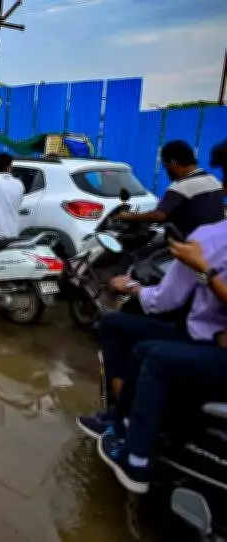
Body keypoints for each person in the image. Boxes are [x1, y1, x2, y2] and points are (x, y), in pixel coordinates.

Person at [91, 227, 227, 493]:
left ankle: (135, 460)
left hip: (203, 339)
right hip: (208, 336)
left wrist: (203, 269)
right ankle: (119, 420)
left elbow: (166, 299)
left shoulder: (206, 238)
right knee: (140, 347)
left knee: (155, 358)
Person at [115, 140, 223, 239]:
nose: (167, 171)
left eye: (165, 166)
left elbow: (158, 215)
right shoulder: (213, 180)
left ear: (173, 163)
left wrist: (129, 216)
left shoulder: (181, 186)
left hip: (188, 246)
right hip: (214, 243)